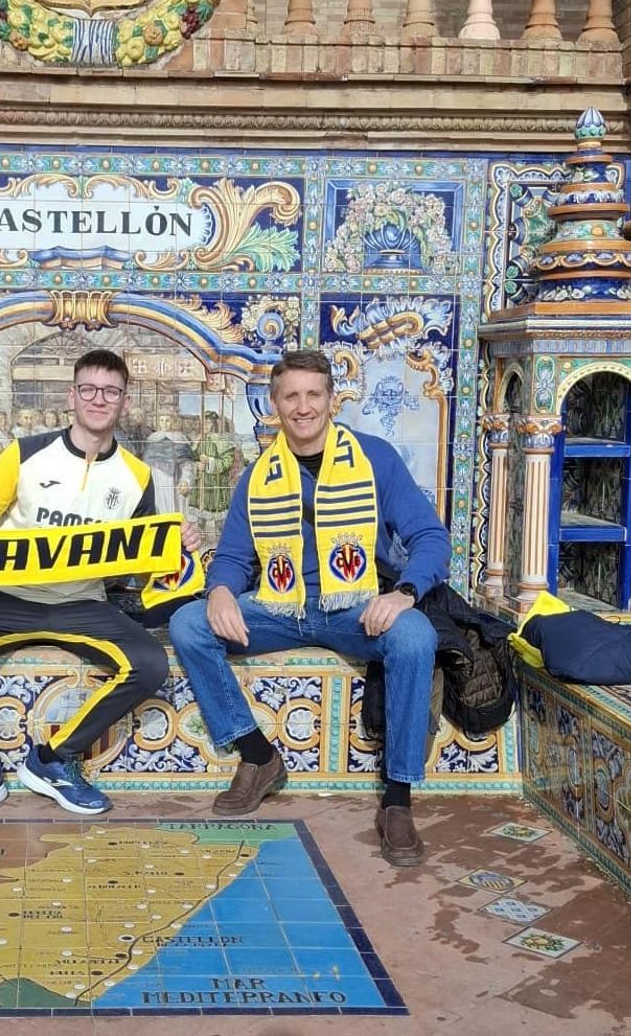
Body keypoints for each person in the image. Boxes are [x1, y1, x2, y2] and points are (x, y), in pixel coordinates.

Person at [0, 349, 199, 822]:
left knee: (148, 665)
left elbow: (145, 557)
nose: (98, 399)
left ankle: (52, 760)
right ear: (72, 396)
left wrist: (180, 543)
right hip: (8, 597)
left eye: (110, 391)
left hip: (82, 601)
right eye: (88, 389)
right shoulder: (23, 455)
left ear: (125, 402)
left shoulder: (137, 477)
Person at [168, 350, 449, 867]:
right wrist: (222, 590)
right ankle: (259, 757)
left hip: (354, 609)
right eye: (290, 396)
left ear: (332, 400)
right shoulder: (258, 474)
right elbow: (232, 556)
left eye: (313, 394)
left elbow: (430, 537)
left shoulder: (375, 459)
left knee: (415, 637)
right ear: (274, 405)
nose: (302, 407)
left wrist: (403, 592)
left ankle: (398, 800)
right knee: (188, 623)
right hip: (281, 608)